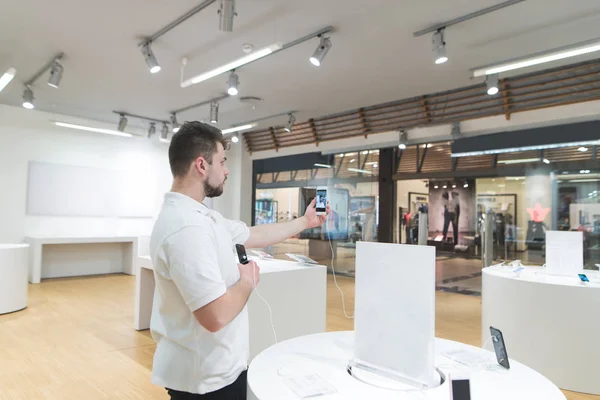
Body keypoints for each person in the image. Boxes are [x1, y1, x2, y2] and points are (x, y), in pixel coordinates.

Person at [149, 122, 330, 399]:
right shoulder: (187, 229)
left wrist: (305, 221)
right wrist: (247, 281)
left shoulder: (202, 218)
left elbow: (255, 234)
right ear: (201, 165)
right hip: (204, 381)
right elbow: (215, 315)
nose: (227, 170)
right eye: (222, 162)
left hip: (218, 370)